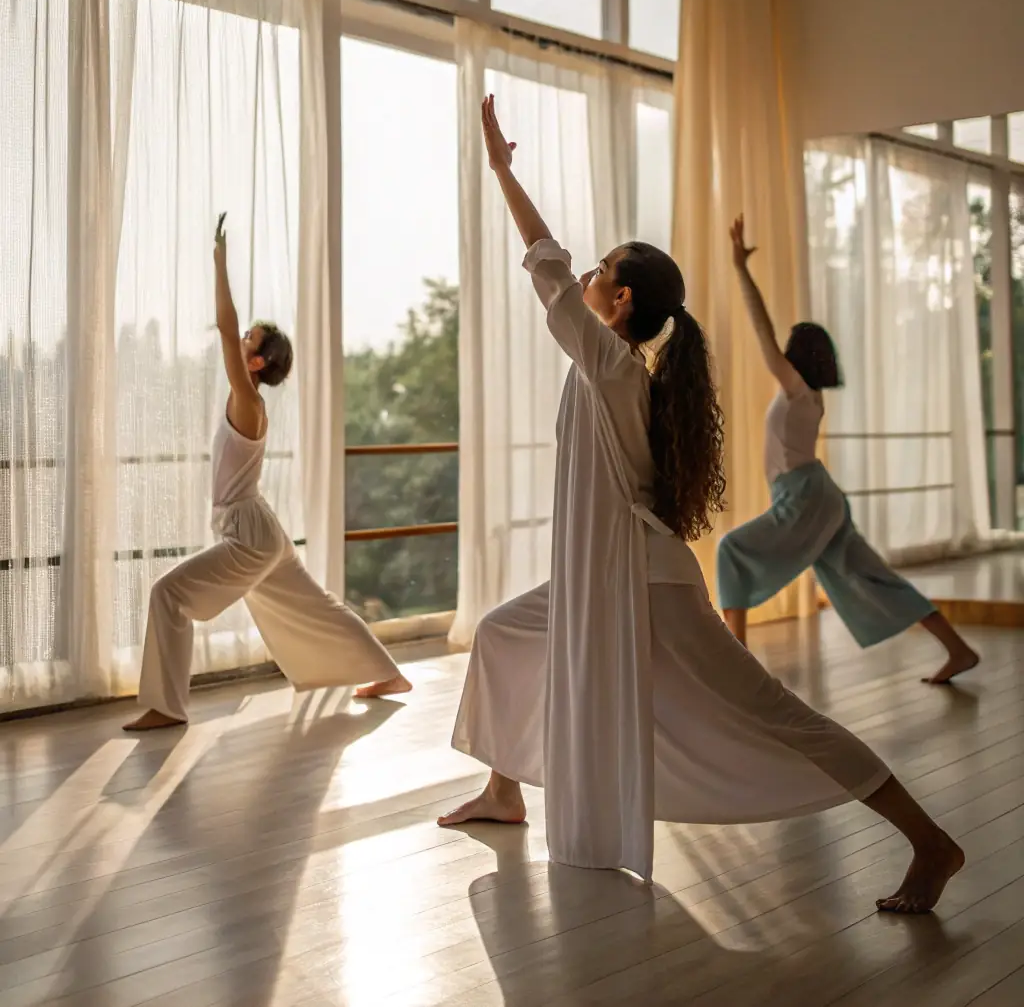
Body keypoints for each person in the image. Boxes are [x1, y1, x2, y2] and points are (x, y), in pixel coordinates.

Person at [437, 97, 964, 914]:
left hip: (644, 586)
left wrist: (506, 172)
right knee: (506, 633)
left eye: (599, 274)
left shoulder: (611, 364)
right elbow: (559, 273)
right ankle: (505, 787)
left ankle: (931, 841)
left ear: (617, 304)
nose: (584, 279)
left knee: (775, 711)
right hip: (605, 579)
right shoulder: (610, 368)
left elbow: (543, 261)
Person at [124, 214, 409, 730]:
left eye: (248, 339)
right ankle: (388, 674)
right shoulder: (249, 403)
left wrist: (219, 263)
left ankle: (165, 707)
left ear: (255, 362)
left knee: (169, 593)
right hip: (260, 529)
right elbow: (232, 333)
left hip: (250, 535)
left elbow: (226, 327)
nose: (238, 340)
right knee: (317, 605)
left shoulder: (247, 400)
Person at [718, 214, 979, 687]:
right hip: (818, 496)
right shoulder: (806, 396)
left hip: (806, 496)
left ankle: (737, 673)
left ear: (798, 355)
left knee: (732, 550)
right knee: (874, 576)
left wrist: (739, 268)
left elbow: (763, 334)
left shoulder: (798, 391)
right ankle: (957, 649)